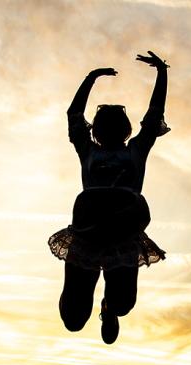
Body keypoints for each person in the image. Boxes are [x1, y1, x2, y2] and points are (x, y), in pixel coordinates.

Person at [49, 51, 170, 344]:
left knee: (122, 304)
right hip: (88, 231)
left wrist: (162, 73)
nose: (112, 126)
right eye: (105, 122)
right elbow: (74, 116)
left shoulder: (136, 151)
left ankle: (108, 308)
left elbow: (154, 115)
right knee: (73, 321)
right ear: (97, 129)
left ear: (126, 129)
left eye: (118, 122)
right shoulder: (88, 151)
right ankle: (78, 298)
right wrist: (91, 78)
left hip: (123, 232)